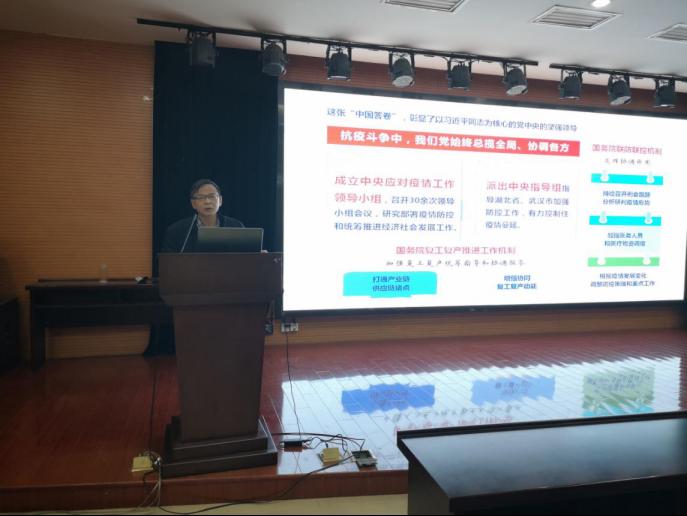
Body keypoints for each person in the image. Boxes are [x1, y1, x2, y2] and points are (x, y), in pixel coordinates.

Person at [161, 179, 244, 253]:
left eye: (212, 196)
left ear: (220, 201)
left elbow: (246, 259)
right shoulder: (176, 231)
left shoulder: (236, 227)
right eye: (201, 197)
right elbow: (167, 262)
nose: (207, 201)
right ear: (193, 203)